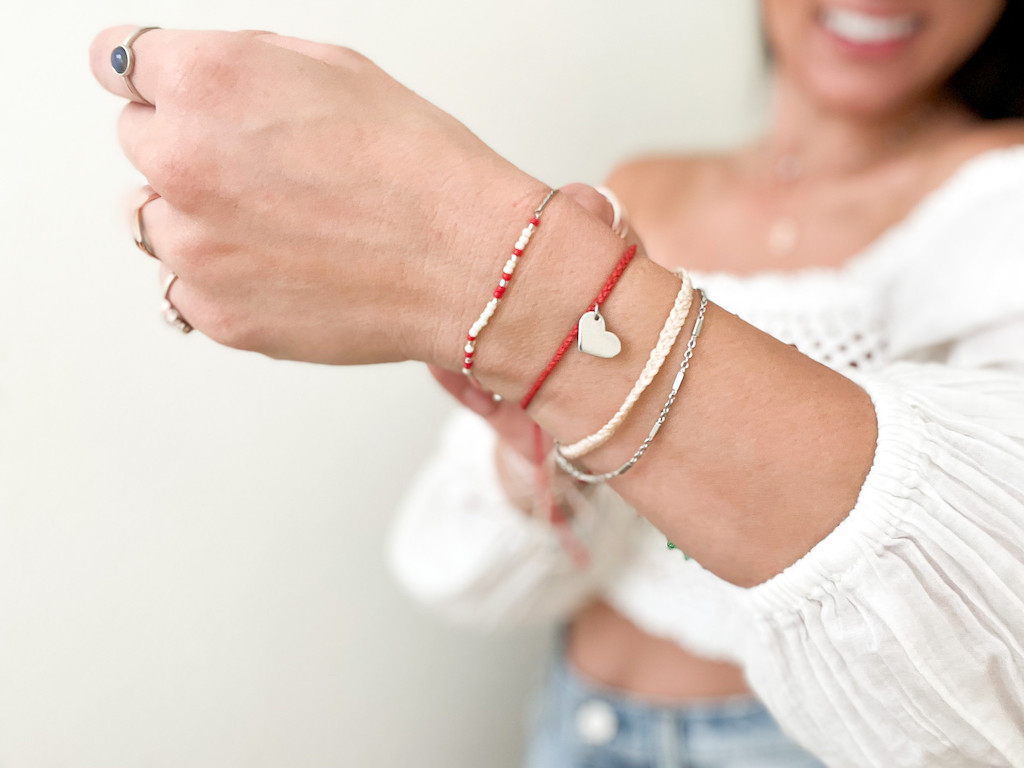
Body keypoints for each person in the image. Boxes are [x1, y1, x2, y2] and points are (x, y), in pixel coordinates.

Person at [90, 1, 1024, 765]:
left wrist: (487, 253)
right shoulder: (647, 181)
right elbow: (465, 576)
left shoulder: (998, 194)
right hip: (571, 726)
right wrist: (534, 459)